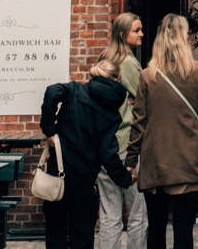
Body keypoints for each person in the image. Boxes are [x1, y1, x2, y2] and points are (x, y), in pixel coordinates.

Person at [125, 14, 198, 249]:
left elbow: (138, 123)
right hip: (190, 160)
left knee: (157, 227)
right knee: (183, 228)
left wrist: (130, 162)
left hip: (156, 162)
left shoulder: (147, 76)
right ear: (185, 39)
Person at [40, 60, 134, 249]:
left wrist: (49, 129)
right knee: (82, 234)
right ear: (117, 79)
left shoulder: (75, 90)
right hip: (85, 178)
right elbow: (108, 154)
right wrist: (126, 178)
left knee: (56, 229)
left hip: (59, 171)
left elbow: (52, 91)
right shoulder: (112, 113)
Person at [96, 13, 147, 249]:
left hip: (104, 147)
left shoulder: (104, 59)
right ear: (122, 34)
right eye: (136, 30)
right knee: (138, 214)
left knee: (109, 215)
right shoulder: (128, 62)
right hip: (128, 145)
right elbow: (148, 100)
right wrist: (137, 101)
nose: (141, 34)